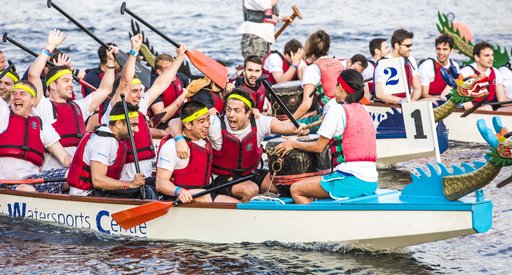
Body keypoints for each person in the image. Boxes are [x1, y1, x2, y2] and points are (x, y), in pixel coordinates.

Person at [169, 89, 308, 202]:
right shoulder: (216, 123)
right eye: (228, 109)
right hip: (222, 178)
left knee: (283, 186)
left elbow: (286, 126)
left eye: (237, 110)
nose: (231, 115)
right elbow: (175, 121)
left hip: (250, 173)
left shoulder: (260, 122)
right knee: (250, 190)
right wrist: (179, 139)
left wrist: (299, 128)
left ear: (249, 113)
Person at [273, 69, 378, 204]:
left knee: (296, 189)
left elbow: (319, 147)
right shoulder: (365, 110)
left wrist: (293, 143)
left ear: (340, 88)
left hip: (351, 180)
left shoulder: (337, 110)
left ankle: (316, 222)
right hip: (371, 181)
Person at [101, 34, 188, 185]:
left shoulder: (139, 103)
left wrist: (179, 58)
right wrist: (134, 51)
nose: (139, 95)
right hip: (125, 176)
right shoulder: (115, 107)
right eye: (134, 91)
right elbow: (125, 82)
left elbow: (161, 84)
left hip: (145, 169)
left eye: (140, 91)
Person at [27, 29, 116, 171]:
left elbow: (105, 89)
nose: (71, 84)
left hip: (79, 169)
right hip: (55, 173)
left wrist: (111, 62)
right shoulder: (42, 105)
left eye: (71, 81)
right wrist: (49, 47)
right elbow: (33, 75)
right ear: (53, 85)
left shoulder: (79, 106)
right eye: (66, 81)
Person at [67, 101, 155, 198]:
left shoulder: (115, 140)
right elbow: (97, 180)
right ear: (118, 124)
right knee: (146, 191)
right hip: (86, 195)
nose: (137, 129)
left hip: (101, 192)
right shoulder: (102, 142)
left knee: (153, 182)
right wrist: (129, 184)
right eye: (133, 125)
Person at [156, 101, 239, 203]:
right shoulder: (171, 146)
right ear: (188, 125)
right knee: (204, 198)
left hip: (204, 192)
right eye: (201, 121)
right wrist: (180, 191)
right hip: (180, 197)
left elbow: (175, 121)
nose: (207, 125)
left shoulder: (205, 138)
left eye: (208, 119)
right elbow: (160, 183)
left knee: (236, 204)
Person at [0, 80, 72, 193]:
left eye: (23, 94)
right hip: (4, 183)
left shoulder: (41, 125)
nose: (17, 97)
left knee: (74, 175)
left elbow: (64, 158)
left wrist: (81, 165)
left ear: (33, 100)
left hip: (32, 181)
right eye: (14, 93)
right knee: (27, 190)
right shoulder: (3, 113)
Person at [374, 29, 428, 105]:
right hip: (387, 105)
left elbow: (417, 88)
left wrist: (412, 101)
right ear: (396, 45)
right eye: (407, 46)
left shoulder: (410, 60)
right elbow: (380, 94)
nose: (410, 49)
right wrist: (401, 101)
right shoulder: (383, 63)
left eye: (411, 45)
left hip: (407, 103)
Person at [459, 41, 512, 111]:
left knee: (488, 108)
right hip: (466, 111)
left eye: (492, 55)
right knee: (488, 108)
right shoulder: (466, 72)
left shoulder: (496, 73)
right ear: (477, 58)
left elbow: (502, 100)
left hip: (487, 109)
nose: (491, 58)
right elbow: (448, 94)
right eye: (487, 55)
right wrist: (461, 101)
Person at [147, 54, 191, 128]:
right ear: (159, 71)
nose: (172, 72)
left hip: (181, 117)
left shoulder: (180, 77)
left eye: (173, 68)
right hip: (163, 124)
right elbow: (161, 118)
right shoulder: (154, 86)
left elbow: (194, 86)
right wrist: (183, 96)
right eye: (168, 69)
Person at [418, 34, 460, 101]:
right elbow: (424, 94)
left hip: (446, 101)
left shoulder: (455, 65)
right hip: (430, 101)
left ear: (451, 51)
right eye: (438, 49)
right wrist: (440, 99)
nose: (441, 52)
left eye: (445, 49)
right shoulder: (427, 65)